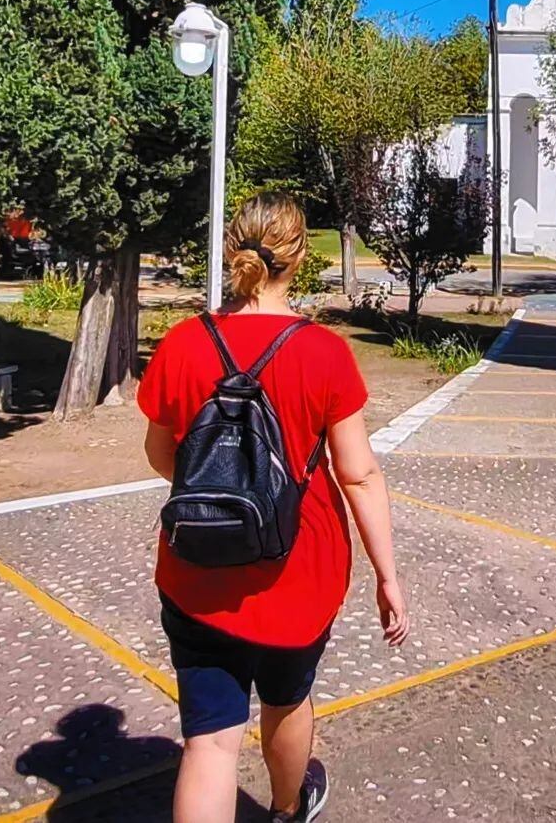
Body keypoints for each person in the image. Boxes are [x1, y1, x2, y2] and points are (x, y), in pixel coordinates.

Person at [140, 191, 409, 823]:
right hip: (299, 573)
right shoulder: (324, 352)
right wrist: (388, 578)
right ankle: (289, 807)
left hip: (197, 570)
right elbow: (360, 476)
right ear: (297, 260)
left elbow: (161, 458)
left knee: (209, 741)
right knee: (287, 701)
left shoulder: (183, 343)